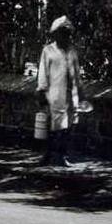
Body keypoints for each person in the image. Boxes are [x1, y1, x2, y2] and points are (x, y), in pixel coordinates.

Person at [36, 16, 83, 167]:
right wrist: (42, 90)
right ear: (56, 34)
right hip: (54, 94)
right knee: (53, 127)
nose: (65, 36)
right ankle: (48, 154)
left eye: (67, 33)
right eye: (62, 33)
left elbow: (76, 74)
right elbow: (43, 72)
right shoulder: (48, 51)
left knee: (68, 127)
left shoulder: (72, 52)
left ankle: (62, 155)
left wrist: (80, 93)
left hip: (71, 95)